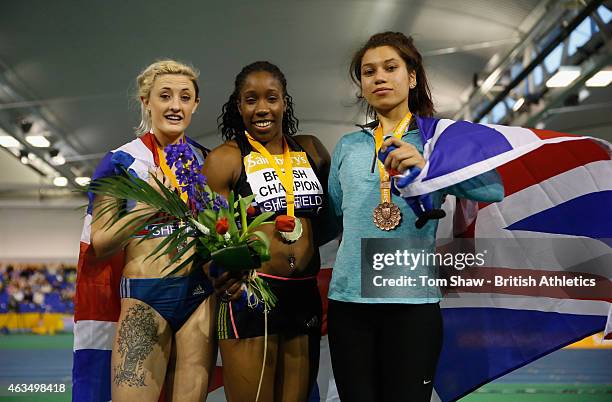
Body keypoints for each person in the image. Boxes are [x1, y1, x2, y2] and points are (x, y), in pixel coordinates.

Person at [326, 32, 504, 402]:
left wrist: (431, 167)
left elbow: (492, 189)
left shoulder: (438, 140)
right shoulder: (348, 146)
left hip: (412, 306)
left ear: (411, 77)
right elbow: (334, 215)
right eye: (368, 71)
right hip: (350, 306)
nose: (379, 77)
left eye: (391, 68)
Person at [87, 59, 216, 402]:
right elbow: (101, 242)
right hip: (146, 297)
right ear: (146, 101)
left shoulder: (208, 160)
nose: (176, 105)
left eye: (185, 97)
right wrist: (144, 209)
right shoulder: (121, 161)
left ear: (195, 104)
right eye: (165, 96)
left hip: (198, 297)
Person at [203, 61, 331, 402]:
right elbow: (206, 234)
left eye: (271, 98)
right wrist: (220, 274)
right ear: (238, 106)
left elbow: (334, 219)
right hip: (252, 294)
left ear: (284, 102)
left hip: (303, 293)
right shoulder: (225, 159)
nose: (262, 108)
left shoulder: (313, 150)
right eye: (251, 99)